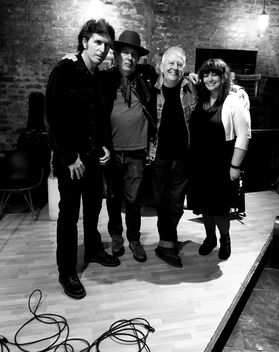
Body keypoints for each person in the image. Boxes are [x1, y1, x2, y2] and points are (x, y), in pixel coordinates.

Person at [45, 19, 120, 300]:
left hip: (92, 158)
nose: (102, 49)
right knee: (68, 215)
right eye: (98, 42)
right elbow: (52, 117)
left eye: (106, 45)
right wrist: (69, 156)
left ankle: (93, 249)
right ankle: (66, 270)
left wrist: (104, 147)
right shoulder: (65, 70)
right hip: (71, 161)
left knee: (92, 208)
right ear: (85, 41)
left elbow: (98, 118)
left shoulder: (98, 76)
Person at [187, 58, 251, 260]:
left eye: (214, 74)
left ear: (224, 77)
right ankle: (209, 238)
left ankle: (225, 238)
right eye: (206, 74)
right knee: (204, 206)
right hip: (199, 164)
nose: (209, 78)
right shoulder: (200, 98)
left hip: (221, 164)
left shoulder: (233, 101)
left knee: (220, 209)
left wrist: (235, 166)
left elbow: (244, 134)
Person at [103, 30, 157, 263]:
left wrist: (192, 77)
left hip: (136, 152)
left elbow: (172, 75)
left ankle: (134, 239)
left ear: (139, 58)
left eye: (134, 54)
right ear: (116, 55)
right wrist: (72, 58)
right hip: (111, 151)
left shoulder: (145, 80)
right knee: (113, 197)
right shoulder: (105, 81)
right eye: (125, 52)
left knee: (134, 200)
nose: (129, 58)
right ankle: (116, 236)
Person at [148, 46, 198, 268]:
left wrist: (236, 90)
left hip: (183, 158)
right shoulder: (151, 90)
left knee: (176, 204)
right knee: (161, 202)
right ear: (161, 66)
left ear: (184, 68)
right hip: (159, 157)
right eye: (170, 63)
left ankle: (167, 242)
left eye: (179, 64)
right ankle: (167, 243)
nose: (174, 68)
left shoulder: (191, 88)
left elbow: (218, 86)